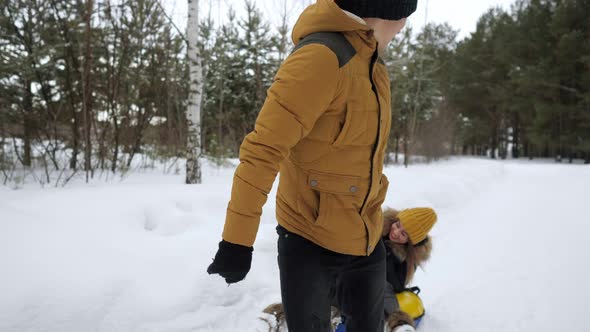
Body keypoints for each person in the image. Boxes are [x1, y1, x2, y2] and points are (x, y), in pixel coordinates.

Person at [207, 1, 417, 331]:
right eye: (404, 15)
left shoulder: (375, 69)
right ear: (383, 10)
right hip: (309, 241)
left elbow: (366, 156)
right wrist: (237, 241)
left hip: (365, 239)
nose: (404, 24)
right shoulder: (320, 57)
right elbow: (263, 150)